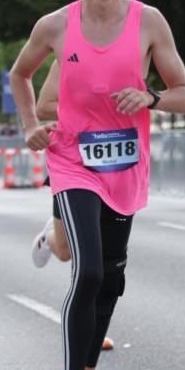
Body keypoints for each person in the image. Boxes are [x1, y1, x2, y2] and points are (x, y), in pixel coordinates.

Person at [10, 0, 185, 370]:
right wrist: (31, 127)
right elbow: (20, 74)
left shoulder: (149, 21)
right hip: (72, 160)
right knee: (87, 270)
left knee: (112, 280)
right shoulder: (55, 25)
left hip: (125, 164)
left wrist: (153, 99)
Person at [31, 60, 115, 352]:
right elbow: (43, 107)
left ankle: (93, 327)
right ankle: (48, 238)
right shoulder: (68, 56)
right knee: (67, 252)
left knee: (103, 256)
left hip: (113, 160)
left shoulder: (131, 53)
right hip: (71, 162)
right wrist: (91, 106)